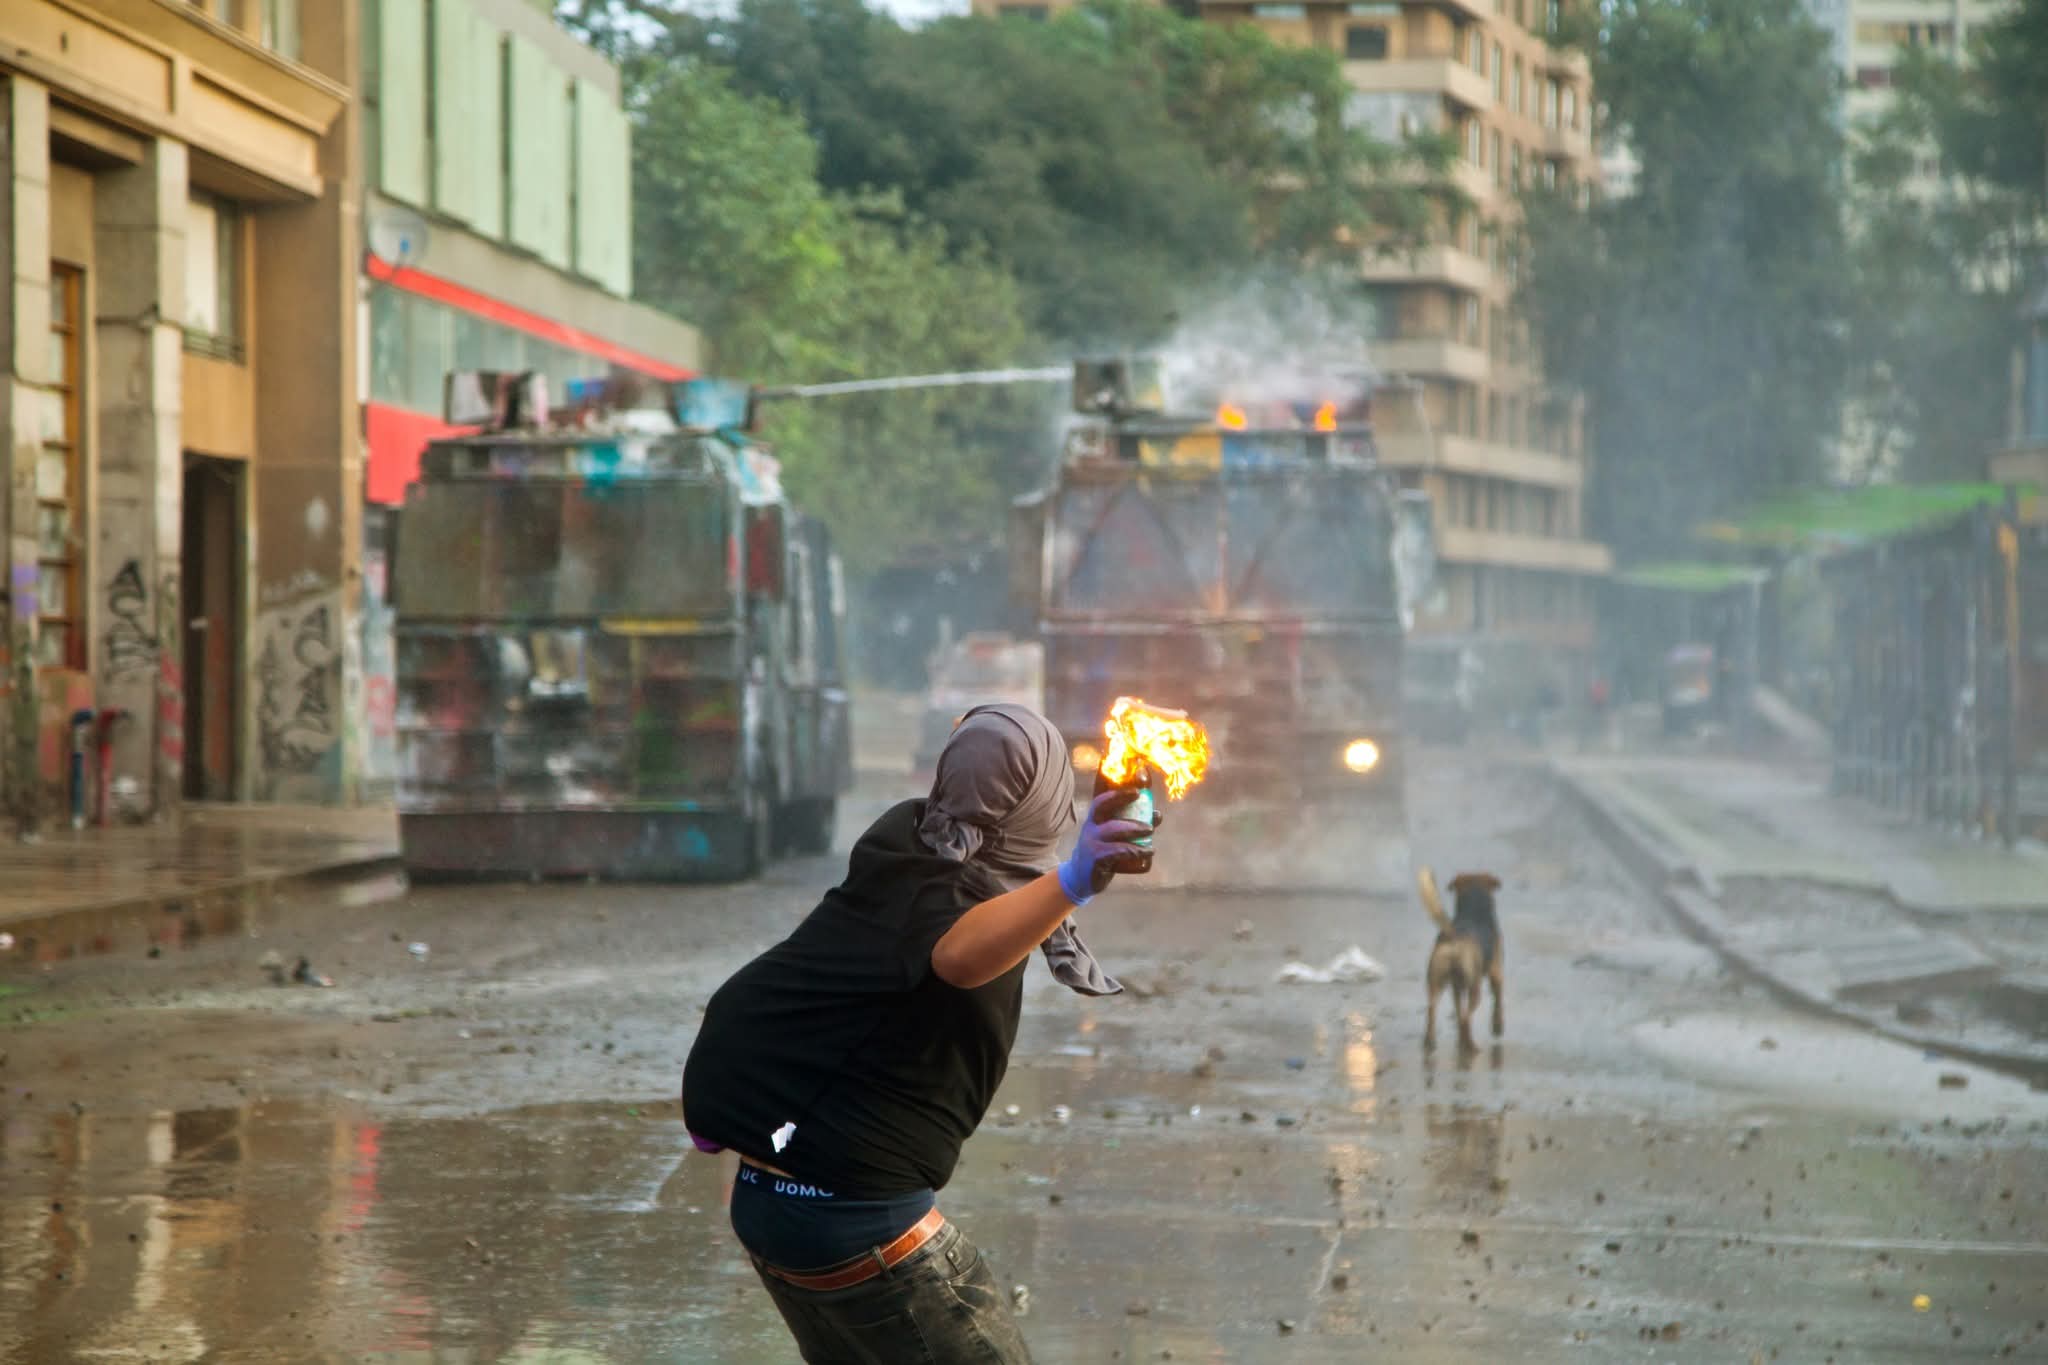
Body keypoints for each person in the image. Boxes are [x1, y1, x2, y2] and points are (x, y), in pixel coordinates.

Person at [681, 703, 1154, 1363]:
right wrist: (1072, 879)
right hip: (858, 1228)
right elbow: (956, 956)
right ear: (1044, 802)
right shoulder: (954, 892)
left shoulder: (906, 845)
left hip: (770, 1208)